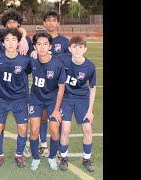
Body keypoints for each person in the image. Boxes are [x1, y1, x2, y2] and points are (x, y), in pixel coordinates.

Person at [0, 28, 31, 168]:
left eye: (14, 39)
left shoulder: (25, 59)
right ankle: (0, 155)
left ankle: (19, 155)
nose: (10, 43)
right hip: (1, 99)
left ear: (19, 42)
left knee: (22, 129)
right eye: (7, 40)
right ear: (2, 42)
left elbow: (33, 69)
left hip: (19, 100)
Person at [28, 32, 66, 171]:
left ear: (50, 46)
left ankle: (51, 157)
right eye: (39, 44)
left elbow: (61, 88)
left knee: (55, 130)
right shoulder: (31, 59)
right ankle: (36, 158)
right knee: (34, 130)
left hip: (52, 100)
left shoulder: (57, 64)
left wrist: (56, 110)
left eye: (45, 44)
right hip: (36, 99)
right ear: (34, 47)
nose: (42, 47)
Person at [58, 36, 96, 172]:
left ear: (85, 48)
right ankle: (63, 157)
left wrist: (90, 110)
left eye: (80, 47)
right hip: (67, 99)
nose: (77, 49)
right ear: (69, 49)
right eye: (74, 47)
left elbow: (92, 88)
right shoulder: (63, 59)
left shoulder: (90, 66)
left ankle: (86, 158)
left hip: (82, 99)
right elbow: (47, 56)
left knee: (87, 129)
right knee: (65, 129)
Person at [0, 9, 34, 158]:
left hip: (20, 87)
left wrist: (24, 37)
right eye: (8, 22)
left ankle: (22, 148)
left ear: (19, 23)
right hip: (2, 89)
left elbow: (32, 61)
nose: (12, 24)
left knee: (22, 124)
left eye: (14, 22)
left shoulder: (26, 40)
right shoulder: (0, 38)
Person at [36, 10, 70, 157]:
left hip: (59, 85)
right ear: (44, 23)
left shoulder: (64, 41)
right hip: (43, 85)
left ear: (58, 22)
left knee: (57, 117)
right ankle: (43, 144)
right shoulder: (40, 39)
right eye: (48, 20)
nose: (50, 22)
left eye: (53, 20)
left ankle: (58, 147)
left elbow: (69, 62)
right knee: (43, 116)